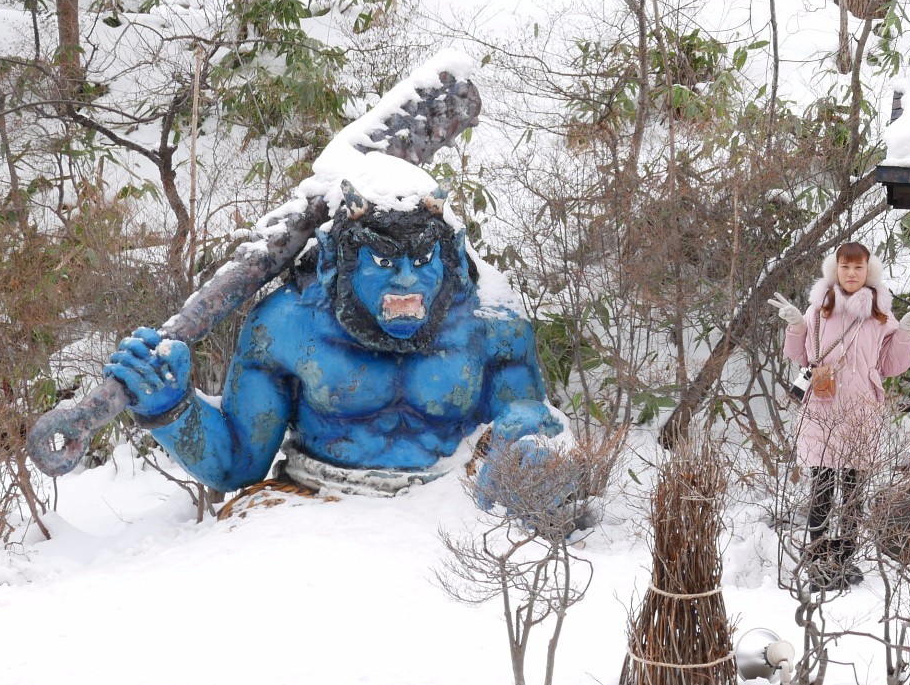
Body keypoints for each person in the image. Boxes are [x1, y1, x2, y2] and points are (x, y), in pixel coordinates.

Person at [102, 177, 568, 510]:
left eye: (423, 259)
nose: (408, 280)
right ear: (334, 264)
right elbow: (239, 465)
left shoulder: (492, 326)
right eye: (382, 262)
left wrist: (525, 442)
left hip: (448, 505)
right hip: (314, 502)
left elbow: (523, 433)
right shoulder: (286, 326)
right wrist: (171, 408)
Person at [772, 243, 910, 588]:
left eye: (858, 268)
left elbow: (891, 366)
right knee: (822, 488)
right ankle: (815, 559)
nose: (851, 274)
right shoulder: (818, 310)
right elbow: (801, 358)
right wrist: (796, 325)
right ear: (835, 270)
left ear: (868, 272)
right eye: (845, 267)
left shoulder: (880, 316)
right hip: (822, 409)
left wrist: (904, 332)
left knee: (854, 490)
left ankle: (845, 558)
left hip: (861, 411)